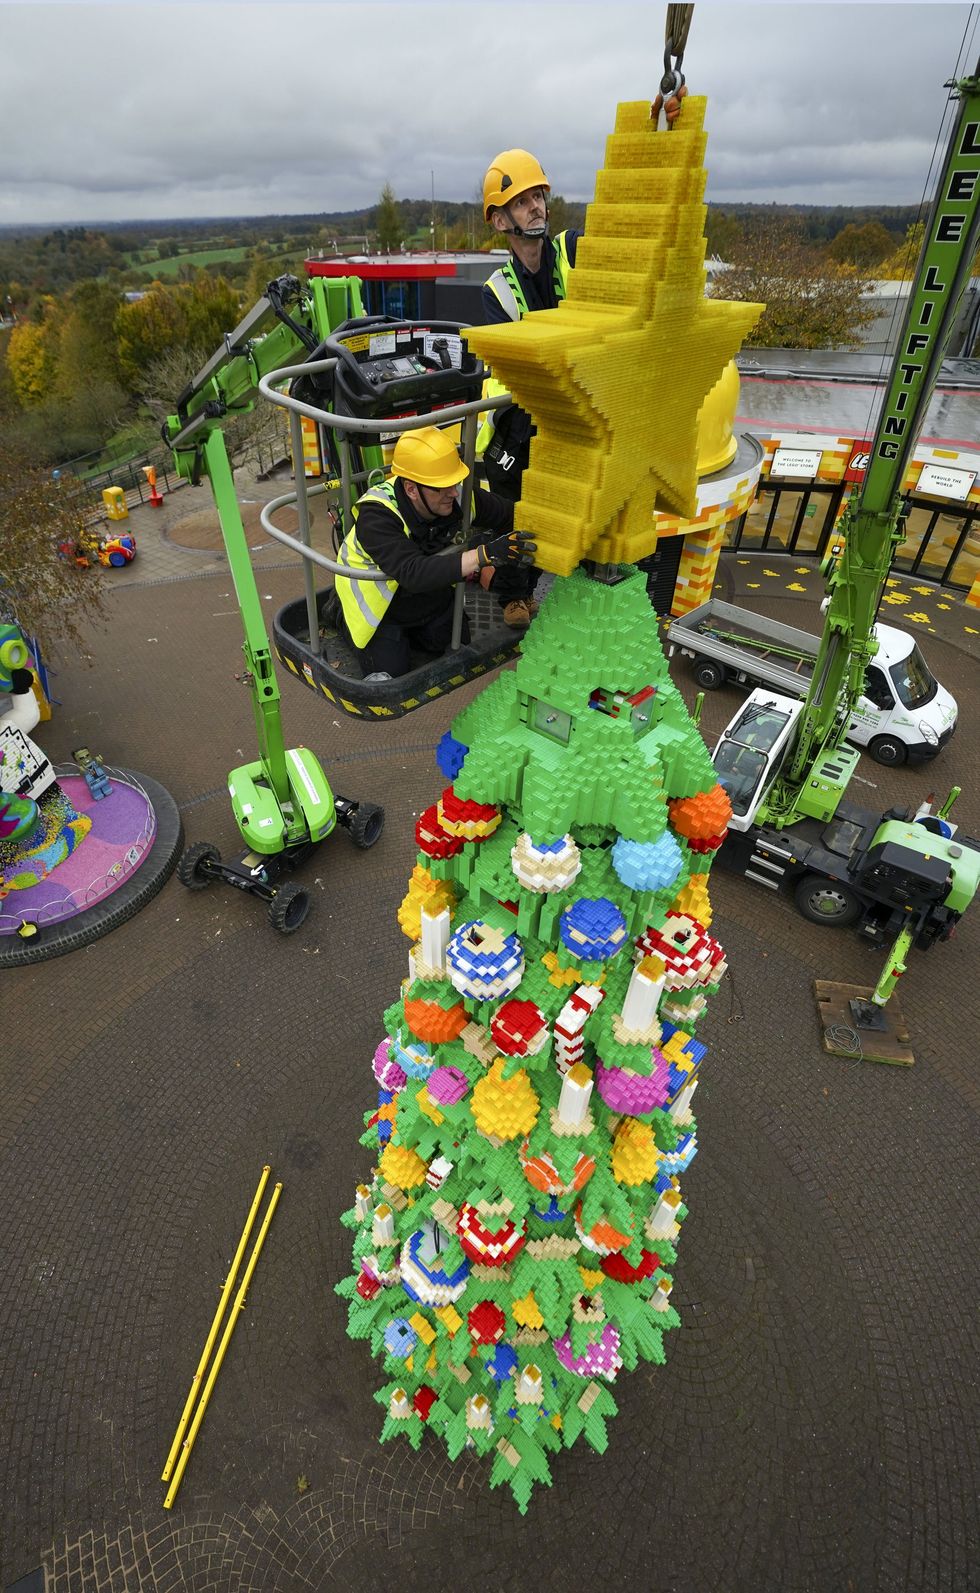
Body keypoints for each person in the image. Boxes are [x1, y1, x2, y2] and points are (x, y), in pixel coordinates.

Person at [332, 426, 536, 680]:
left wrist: (513, 582)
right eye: (441, 487)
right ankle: (338, 614)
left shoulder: (456, 496)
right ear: (411, 489)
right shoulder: (378, 515)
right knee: (391, 673)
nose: (453, 492)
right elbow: (413, 572)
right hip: (382, 610)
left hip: (426, 595)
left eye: (453, 482)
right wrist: (484, 555)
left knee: (453, 642)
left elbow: (512, 517)